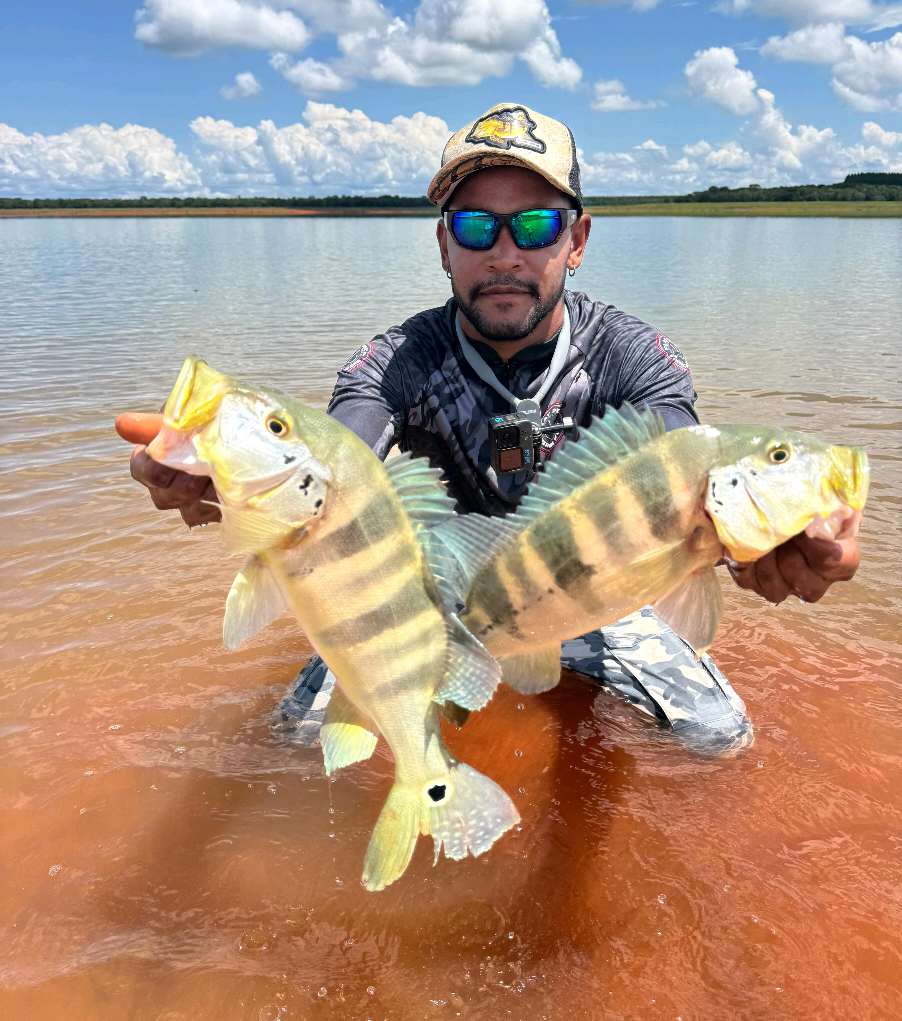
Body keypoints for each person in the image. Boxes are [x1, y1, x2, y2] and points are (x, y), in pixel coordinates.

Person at [130, 102, 860, 755]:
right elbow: (334, 456)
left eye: (536, 224)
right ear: (444, 246)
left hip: (593, 593)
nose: (505, 253)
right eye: (476, 226)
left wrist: (766, 541)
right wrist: (229, 479)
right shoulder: (393, 364)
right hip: (427, 597)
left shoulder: (632, 357)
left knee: (719, 739)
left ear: (576, 240)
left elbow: (688, 472)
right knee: (290, 743)